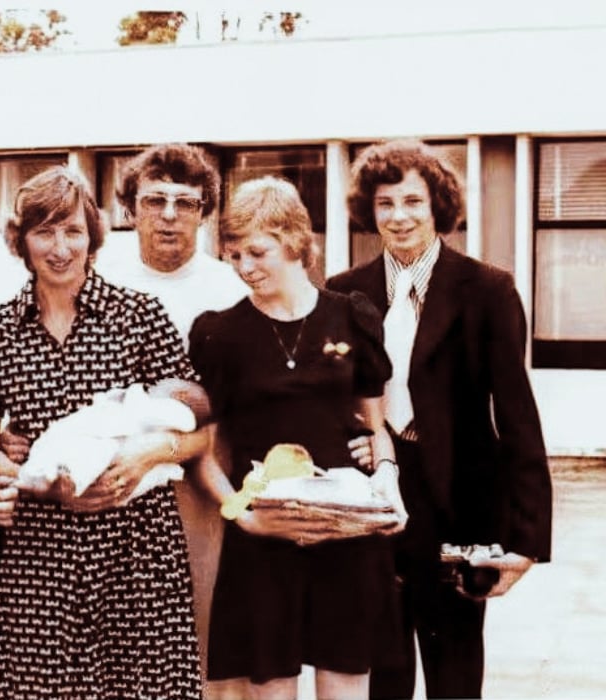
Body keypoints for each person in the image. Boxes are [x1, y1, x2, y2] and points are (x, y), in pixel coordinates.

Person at [0, 143, 375, 672]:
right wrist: (18, 437)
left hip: (209, 485)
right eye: (155, 201)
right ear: (130, 208)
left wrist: (368, 435)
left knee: (204, 648)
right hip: (106, 492)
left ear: (205, 212)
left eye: (187, 202)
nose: (170, 215)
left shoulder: (233, 283)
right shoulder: (94, 276)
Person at [0, 166, 204, 698]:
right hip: (42, 548)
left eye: (72, 231)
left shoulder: (140, 315)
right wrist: (15, 471)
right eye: (43, 231)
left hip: (137, 546)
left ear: (92, 236)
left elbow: (197, 429)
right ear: (20, 241)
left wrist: (145, 455)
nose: (60, 247)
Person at [328, 138, 553, 699]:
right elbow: (332, 400)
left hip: (460, 511)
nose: (399, 217)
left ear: (438, 207)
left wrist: (527, 538)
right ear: (368, 210)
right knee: (383, 677)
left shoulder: (489, 290)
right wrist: (358, 441)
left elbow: (518, 414)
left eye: (412, 202)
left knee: (455, 678)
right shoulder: (342, 292)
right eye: (385, 204)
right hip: (377, 505)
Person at [188, 176, 406, 700]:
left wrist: (389, 486)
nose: (244, 267)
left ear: (292, 240)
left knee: (346, 681)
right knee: (270, 686)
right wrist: (245, 516)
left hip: (345, 533)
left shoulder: (352, 316)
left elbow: (377, 433)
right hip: (265, 536)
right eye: (233, 255)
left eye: (257, 252)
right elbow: (204, 452)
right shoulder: (220, 333)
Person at [16, 377, 212, 500]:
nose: (151, 388)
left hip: (117, 451)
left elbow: (201, 437)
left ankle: (64, 481)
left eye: (158, 386)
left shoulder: (180, 413)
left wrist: (133, 394)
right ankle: (38, 476)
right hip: (99, 439)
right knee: (66, 449)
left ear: (179, 394)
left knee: (96, 454)